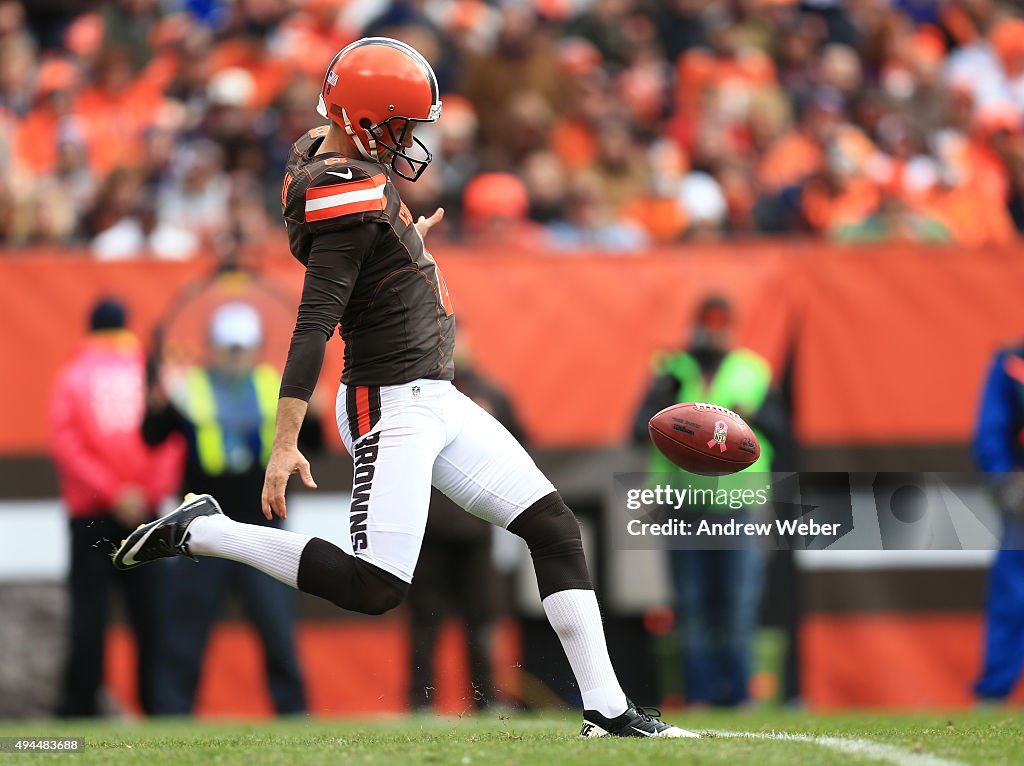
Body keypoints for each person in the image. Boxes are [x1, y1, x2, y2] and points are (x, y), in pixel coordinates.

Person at [113, 37, 695, 738]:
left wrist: (402, 238)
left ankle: (607, 709)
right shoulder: (346, 201)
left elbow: (351, 230)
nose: (413, 143)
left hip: (436, 394)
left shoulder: (325, 159)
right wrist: (284, 438)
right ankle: (207, 530)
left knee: (553, 526)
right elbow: (311, 325)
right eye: (399, 127)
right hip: (390, 402)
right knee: (376, 586)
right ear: (360, 121)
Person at [141, 301, 318, 716]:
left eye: (242, 348)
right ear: (212, 348)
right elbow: (151, 435)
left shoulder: (275, 387)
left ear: (256, 348)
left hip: (262, 530)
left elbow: (315, 437)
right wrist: (156, 401)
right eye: (228, 348)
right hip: (201, 535)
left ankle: (295, 718)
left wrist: (318, 413)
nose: (235, 357)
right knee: (183, 636)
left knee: (278, 633)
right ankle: (170, 721)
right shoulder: (189, 388)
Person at [632, 295, 782, 707]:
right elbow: (634, 430)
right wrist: (665, 400)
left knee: (738, 604)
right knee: (692, 605)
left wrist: (746, 418)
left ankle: (738, 695)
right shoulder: (670, 369)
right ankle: (699, 694)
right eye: (706, 323)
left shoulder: (752, 370)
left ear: (731, 327)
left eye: (720, 324)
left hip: (738, 503)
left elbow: (783, 431)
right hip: (684, 503)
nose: (712, 331)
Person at [49, 298, 181, 717]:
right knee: (151, 615)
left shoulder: (72, 376)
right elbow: (172, 439)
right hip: (147, 512)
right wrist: (145, 493)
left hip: (90, 514)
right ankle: (159, 707)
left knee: (89, 613)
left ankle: (81, 707)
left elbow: (67, 445)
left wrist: (110, 491)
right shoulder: (150, 373)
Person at [407, 337, 524, 712]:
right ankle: (420, 702)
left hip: (476, 524)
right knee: (425, 622)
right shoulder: (414, 393)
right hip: (428, 527)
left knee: (482, 619)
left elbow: (519, 448)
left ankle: (486, 699)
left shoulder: (489, 394)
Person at [973, 340, 1024, 704]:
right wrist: (1005, 479)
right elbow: (991, 429)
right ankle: (994, 692)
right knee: (1013, 594)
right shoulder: (1013, 363)